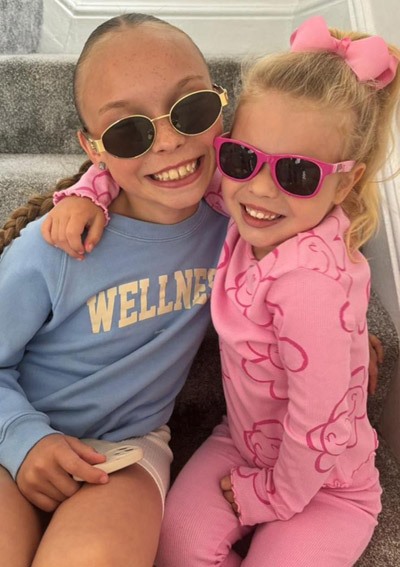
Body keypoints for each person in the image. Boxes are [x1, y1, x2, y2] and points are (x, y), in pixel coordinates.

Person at [155, 16, 400, 566]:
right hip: (243, 443)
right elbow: (170, 174)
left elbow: (318, 426)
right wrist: (91, 191)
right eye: (243, 159)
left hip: (329, 483)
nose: (261, 189)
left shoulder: (311, 285)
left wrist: (271, 496)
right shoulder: (252, 205)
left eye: (298, 173)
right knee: (174, 544)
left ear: (346, 181)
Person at [0, 12, 228, 567]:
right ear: (94, 147)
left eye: (192, 108)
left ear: (223, 106)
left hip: (126, 452)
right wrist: (23, 437)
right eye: (130, 131)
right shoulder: (55, 247)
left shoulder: (238, 227)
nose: (170, 141)